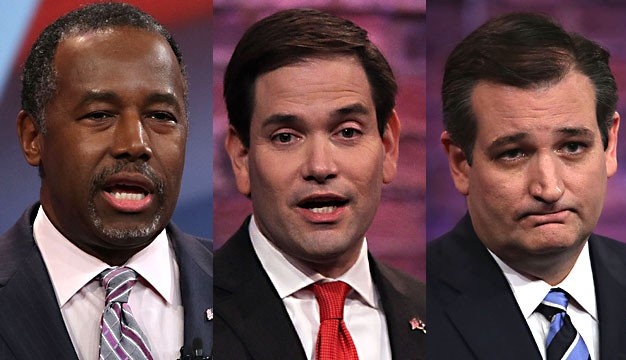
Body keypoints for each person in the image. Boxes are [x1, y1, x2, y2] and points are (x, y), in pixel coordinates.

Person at [0, 3, 212, 359]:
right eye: (100, 115)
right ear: (33, 137)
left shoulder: (237, 287)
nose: (136, 144)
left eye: (161, 116)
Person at [214, 8, 426, 360]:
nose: (320, 167)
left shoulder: (437, 315)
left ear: (388, 147)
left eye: (347, 132)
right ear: (241, 157)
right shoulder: (189, 314)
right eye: (285, 137)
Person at [426, 12, 626, 360]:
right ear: (461, 164)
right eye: (513, 153)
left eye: (572, 147)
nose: (549, 188)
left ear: (609, 145)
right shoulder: (412, 307)